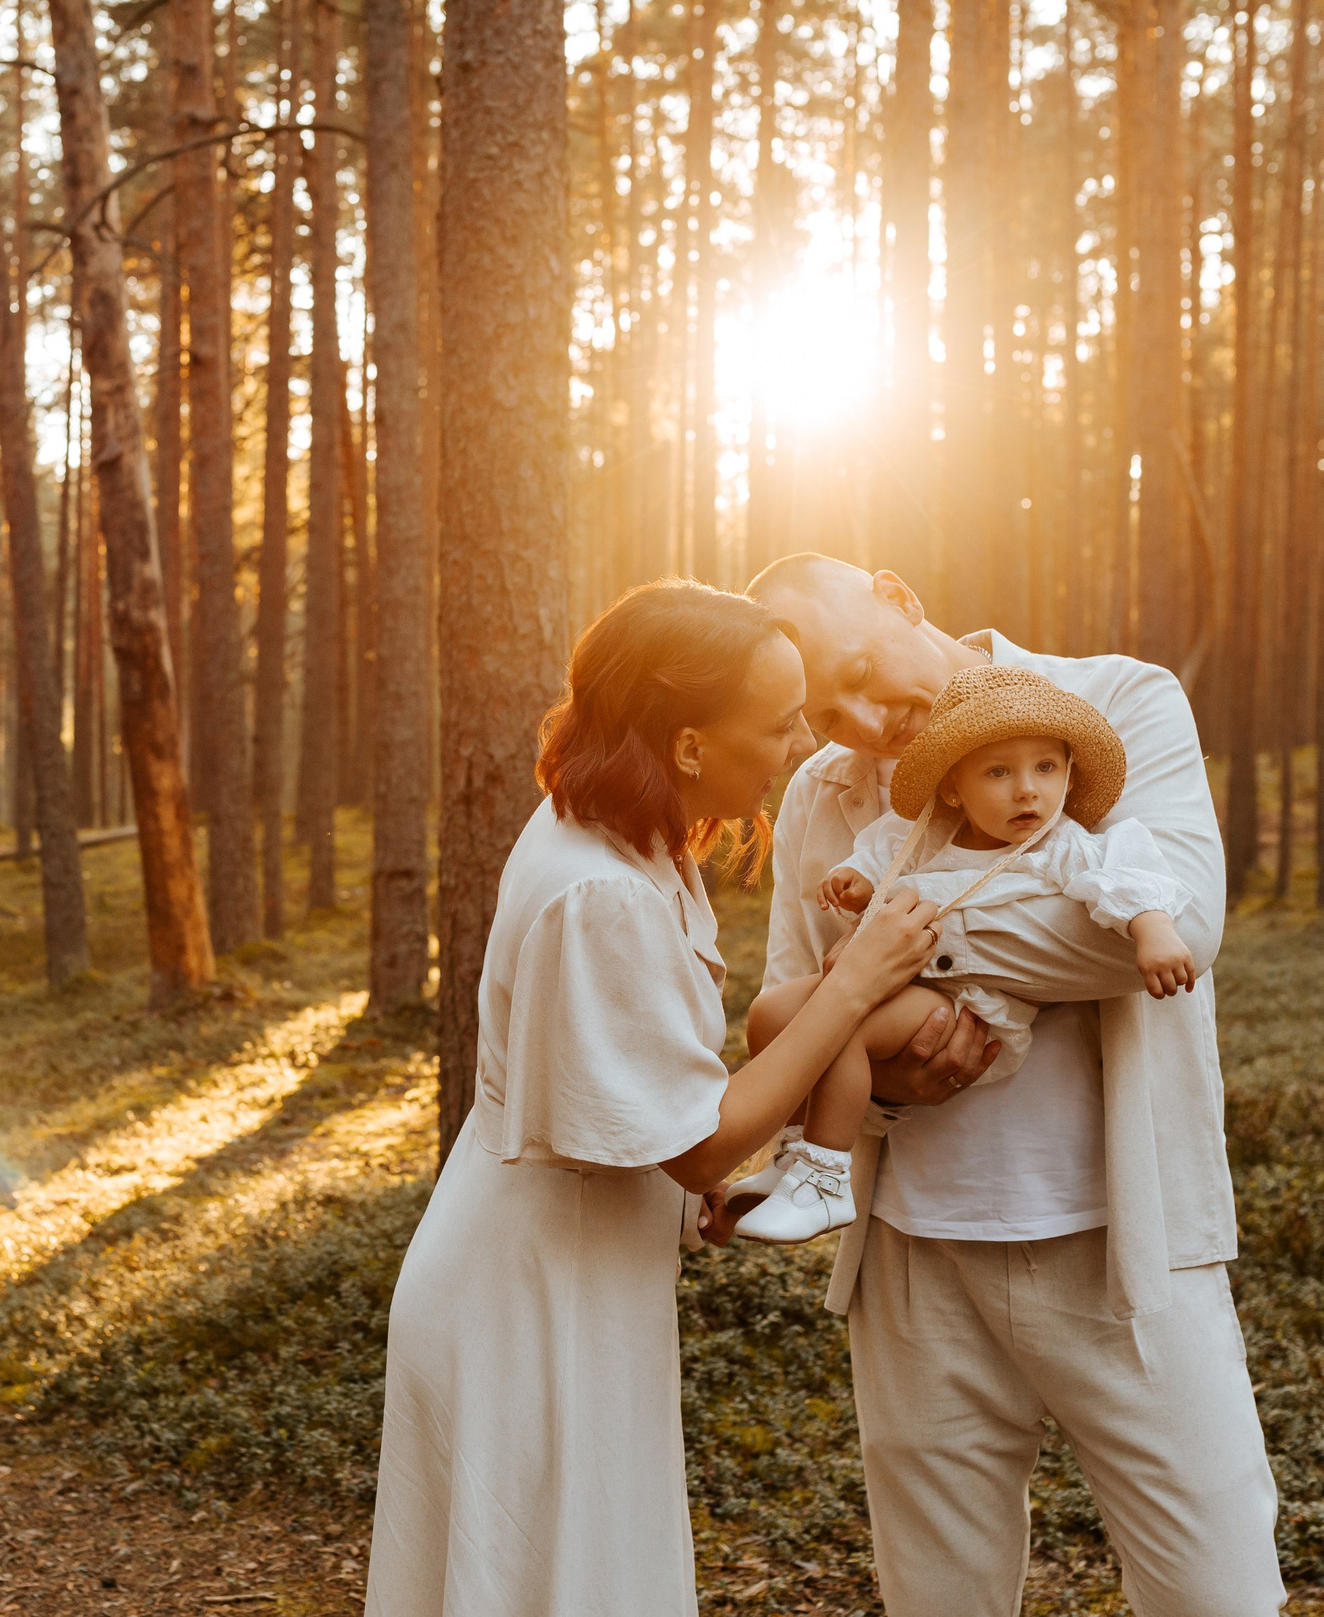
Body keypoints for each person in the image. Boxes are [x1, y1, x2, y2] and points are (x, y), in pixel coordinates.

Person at [365, 579, 948, 1617]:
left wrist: (684, 1187)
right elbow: (699, 1142)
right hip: (527, 1307)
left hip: (575, 1272)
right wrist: (853, 984)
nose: (796, 748)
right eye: (778, 724)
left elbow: (626, 1093)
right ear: (687, 743)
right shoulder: (599, 889)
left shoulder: (624, 834)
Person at [745, 553, 1284, 1617]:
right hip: (911, 1258)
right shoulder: (823, 793)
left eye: (862, 670)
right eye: (828, 712)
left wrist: (891, 951)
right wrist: (883, 1079)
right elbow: (791, 1009)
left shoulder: (1118, 702)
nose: (866, 721)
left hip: (1126, 1251)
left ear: (899, 596)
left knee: (1218, 1593)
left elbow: (1170, 930)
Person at [729, 663, 1197, 1246]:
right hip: (894, 984)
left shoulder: (1058, 845)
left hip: (968, 1008)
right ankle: (796, 1151)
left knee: (844, 1023)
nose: (1027, 789)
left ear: (1069, 774)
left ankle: (826, 1178)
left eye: (1046, 767)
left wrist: (1152, 928)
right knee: (771, 1012)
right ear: (954, 788)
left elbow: (1123, 877)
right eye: (998, 771)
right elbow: (882, 862)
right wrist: (857, 883)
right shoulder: (927, 834)